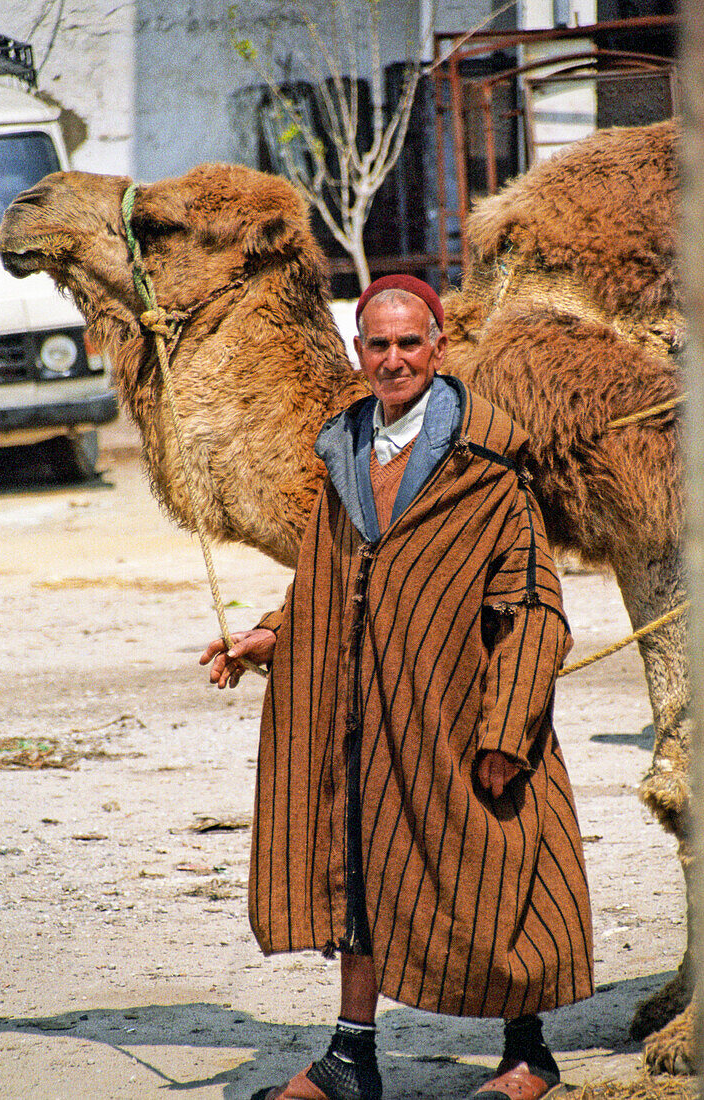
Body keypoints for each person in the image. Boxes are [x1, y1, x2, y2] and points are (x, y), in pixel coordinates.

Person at [201, 275, 594, 1100]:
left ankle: (527, 1054)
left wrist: (505, 732)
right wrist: (272, 634)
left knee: (498, 866)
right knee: (358, 863)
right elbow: (329, 578)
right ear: (358, 353)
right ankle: (350, 1060)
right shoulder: (345, 452)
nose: (392, 359)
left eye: (407, 343)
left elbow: (532, 609)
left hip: (462, 716)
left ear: (438, 348)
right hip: (363, 713)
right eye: (376, 345)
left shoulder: (488, 468)